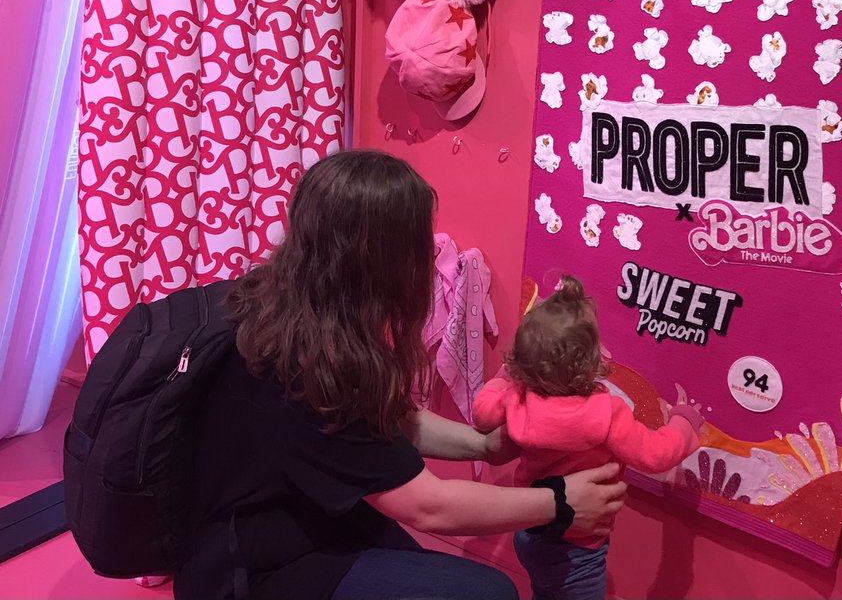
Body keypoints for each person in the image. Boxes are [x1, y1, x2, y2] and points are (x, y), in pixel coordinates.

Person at [174, 151, 626, 600]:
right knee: (489, 593)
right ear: (380, 260)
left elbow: (383, 420)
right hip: (250, 569)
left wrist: (485, 446)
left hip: (295, 522)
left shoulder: (283, 306)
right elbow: (428, 506)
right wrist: (561, 502)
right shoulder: (304, 366)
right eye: (419, 245)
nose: (429, 258)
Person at [473, 276, 702, 600]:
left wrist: (505, 378)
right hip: (578, 548)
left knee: (545, 590)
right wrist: (684, 422)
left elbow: (482, 413)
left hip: (529, 529)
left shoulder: (517, 398)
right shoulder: (607, 413)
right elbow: (657, 454)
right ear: (592, 362)